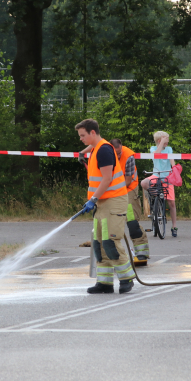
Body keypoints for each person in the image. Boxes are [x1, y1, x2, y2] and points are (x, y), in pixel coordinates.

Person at [75, 119, 134, 294]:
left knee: (111, 240)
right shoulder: (95, 149)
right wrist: (95, 200)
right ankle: (105, 282)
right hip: (102, 202)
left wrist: (92, 198)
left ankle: (126, 278)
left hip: (113, 201)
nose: (81, 139)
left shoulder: (104, 150)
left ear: (93, 133)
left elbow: (107, 179)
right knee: (99, 242)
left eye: (83, 135)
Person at [110, 139, 149, 261]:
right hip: (112, 190)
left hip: (128, 188)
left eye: (120, 152)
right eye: (116, 154)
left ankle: (141, 252)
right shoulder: (106, 155)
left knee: (132, 221)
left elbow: (128, 180)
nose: (119, 155)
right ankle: (113, 254)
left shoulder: (128, 157)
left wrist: (114, 190)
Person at [140, 131, 178, 237]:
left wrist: (174, 169)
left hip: (167, 177)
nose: (168, 141)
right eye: (166, 139)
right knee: (144, 183)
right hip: (156, 175)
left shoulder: (169, 149)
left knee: (172, 203)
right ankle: (155, 195)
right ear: (159, 140)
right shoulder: (153, 148)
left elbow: (172, 161)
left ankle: (174, 226)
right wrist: (161, 143)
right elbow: (156, 154)